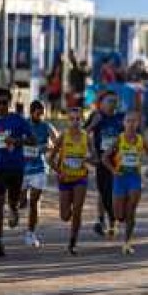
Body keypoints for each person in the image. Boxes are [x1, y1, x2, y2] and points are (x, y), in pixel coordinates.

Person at [0, 89, 33, 257]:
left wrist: (16, 141)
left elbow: (32, 140)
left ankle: (14, 210)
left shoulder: (18, 120)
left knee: (12, 203)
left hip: (15, 167)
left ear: (9, 103)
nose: (0, 105)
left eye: (4, 102)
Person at [47, 105, 93, 255]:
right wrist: (58, 171)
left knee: (78, 210)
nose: (75, 122)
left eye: (78, 119)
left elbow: (95, 158)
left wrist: (88, 159)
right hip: (65, 178)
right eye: (72, 119)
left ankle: (73, 242)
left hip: (81, 178)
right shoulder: (63, 137)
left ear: (82, 120)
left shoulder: (87, 137)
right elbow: (50, 159)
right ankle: (72, 215)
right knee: (65, 216)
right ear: (68, 121)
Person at [107, 111, 148, 254]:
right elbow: (104, 157)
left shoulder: (141, 140)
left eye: (134, 121)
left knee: (131, 212)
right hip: (120, 178)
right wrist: (113, 171)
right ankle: (119, 221)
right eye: (128, 121)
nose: (131, 124)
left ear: (137, 124)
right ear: (124, 123)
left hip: (134, 178)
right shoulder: (119, 139)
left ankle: (127, 243)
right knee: (119, 215)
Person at [85, 91, 125, 238]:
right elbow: (82, 134)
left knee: (113, 190)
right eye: (109, 101)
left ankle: (111, 222)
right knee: (103, 190)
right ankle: (102, 220)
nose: (112, 104)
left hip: (118, 160)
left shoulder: (121, 118)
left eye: (115, 101)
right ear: (101, 103)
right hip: (102, 159)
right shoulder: (96, 116)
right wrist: (92, 153)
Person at [21, 100, 57, 249]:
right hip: (22, 169)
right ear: (31, 112)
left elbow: (57, 142)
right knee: (21, 201)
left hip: (39, 169)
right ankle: (18, 204)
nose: (41, 116)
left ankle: (31, 233)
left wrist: (50, 146)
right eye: (39, 113)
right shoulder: (23, 125)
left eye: (43, 113)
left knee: (35, 202)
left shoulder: (46, 126)